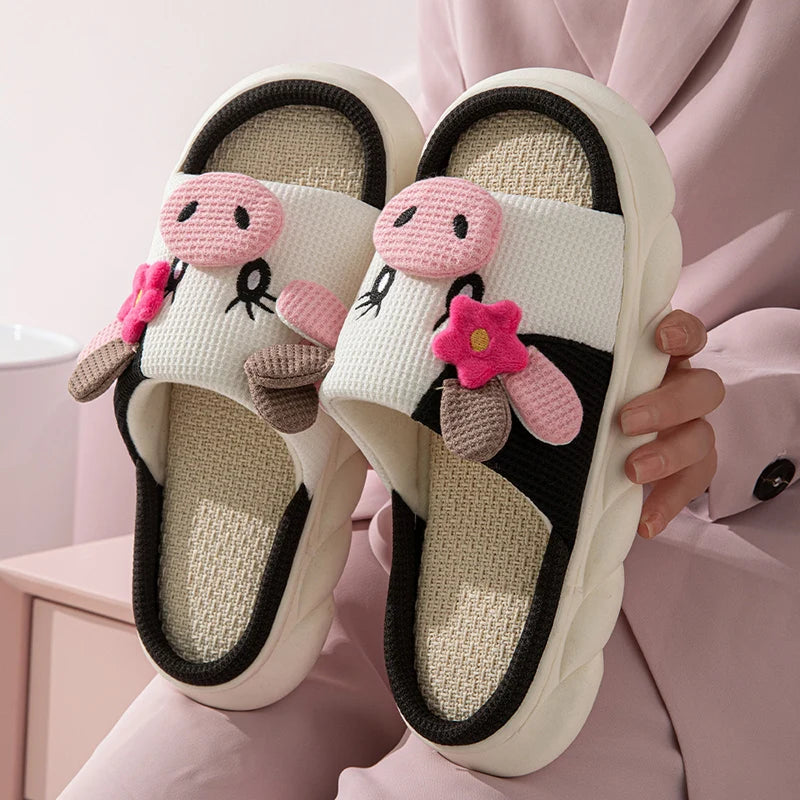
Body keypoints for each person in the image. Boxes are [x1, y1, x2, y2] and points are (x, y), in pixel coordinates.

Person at [61, 1, 800, 797]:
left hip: (712, 537)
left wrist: (738, 402)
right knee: (148, 779)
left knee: (461, 772)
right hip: (431, 490)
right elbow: (451, 172)